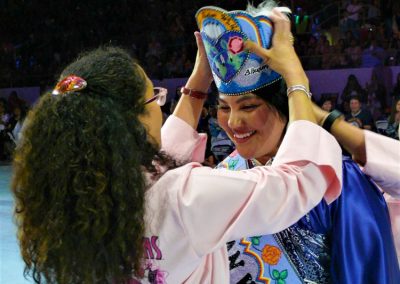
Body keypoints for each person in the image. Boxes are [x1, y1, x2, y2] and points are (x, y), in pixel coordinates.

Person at [10, 12, 342, 284]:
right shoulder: (184, 198)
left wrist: (198, 84)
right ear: (133, 121)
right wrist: (297, 80)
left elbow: (163, 156)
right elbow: (296, 182)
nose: (235, 121)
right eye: (154, 97)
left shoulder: (84, 192)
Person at [196, 2, 399, 283]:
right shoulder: (221, 177)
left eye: (249, 106)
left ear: (285, 104)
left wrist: (298, 86)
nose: (232, 123)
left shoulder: (338, 182)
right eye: (224, 107)